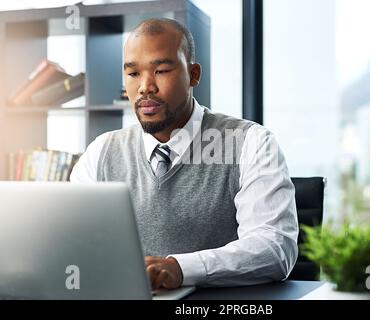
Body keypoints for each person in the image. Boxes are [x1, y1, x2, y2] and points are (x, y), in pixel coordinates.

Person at [70, 18, 298, 290]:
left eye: (162, 70)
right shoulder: (102, 151)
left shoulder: (251, 142)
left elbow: (275, 249)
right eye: (133, 74)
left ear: (194, 75)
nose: (145, 87)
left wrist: (181, 269)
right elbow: (72, 242)